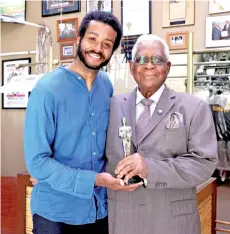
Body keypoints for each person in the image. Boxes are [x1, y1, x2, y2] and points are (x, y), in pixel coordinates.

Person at [24, 11, 139, 234]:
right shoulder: (46, 89)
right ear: (79, 39)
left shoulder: (106, 86)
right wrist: (96, 180)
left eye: (107, 44)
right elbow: (37, 162)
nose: (98, 48)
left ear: (112, 52)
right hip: (55, 212)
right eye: (92, 39)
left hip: (97, 210)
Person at [105, 34, 218, 234]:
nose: (148, 65)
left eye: (156, 59)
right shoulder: (112, 105)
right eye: (141, 59)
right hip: (122, 219)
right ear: (132, 67)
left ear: (168, 66)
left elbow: (204, 163)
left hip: (172, 222)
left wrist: (150, 168)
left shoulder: (193, 107)